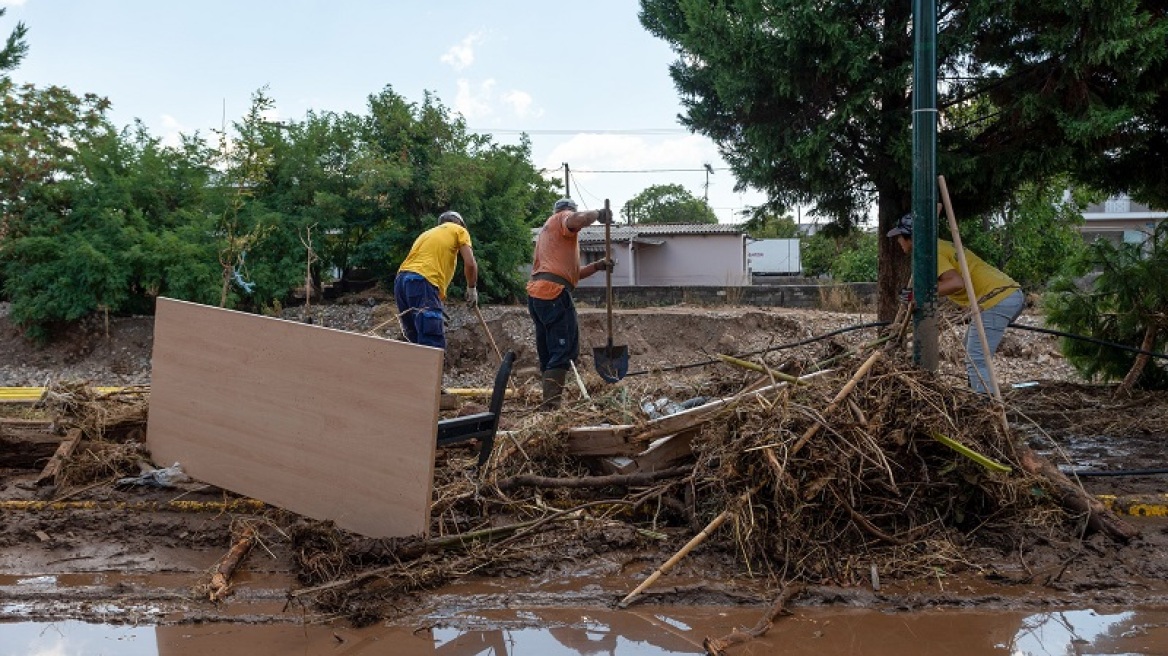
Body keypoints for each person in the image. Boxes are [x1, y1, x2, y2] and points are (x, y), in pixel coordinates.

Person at [887, 213, 1025, 394]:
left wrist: (920, 295)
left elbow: (955, 283)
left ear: (910, 236)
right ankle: (979, 393)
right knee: (972, 347)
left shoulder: (930, 251)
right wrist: (920, 295)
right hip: (1006, 293)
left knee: (977, 358)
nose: (898, 242)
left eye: (899, 237)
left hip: (996, 298)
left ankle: (987, 406)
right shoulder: (938, 246)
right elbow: (951, 285)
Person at [527, 197, 614, 409]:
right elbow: (579, 219)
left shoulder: (549, 235)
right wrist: (600, 214)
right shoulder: (562, 218)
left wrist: (598, 265)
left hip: (538, 293)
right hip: (554, 293)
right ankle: (551, 406)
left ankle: (548, 402)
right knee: (563, 350)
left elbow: (570, 275)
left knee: (549, 350)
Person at [394, 210, 478, 350]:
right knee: (431, 342)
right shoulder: (459, 230)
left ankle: (414, 372)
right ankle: (430, 372)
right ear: (460, 224)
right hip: (422, 280)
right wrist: (472, 288)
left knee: (413, 338)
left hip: (401, 282)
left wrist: (435, 304)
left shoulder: (427, 234)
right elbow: (470, 263)